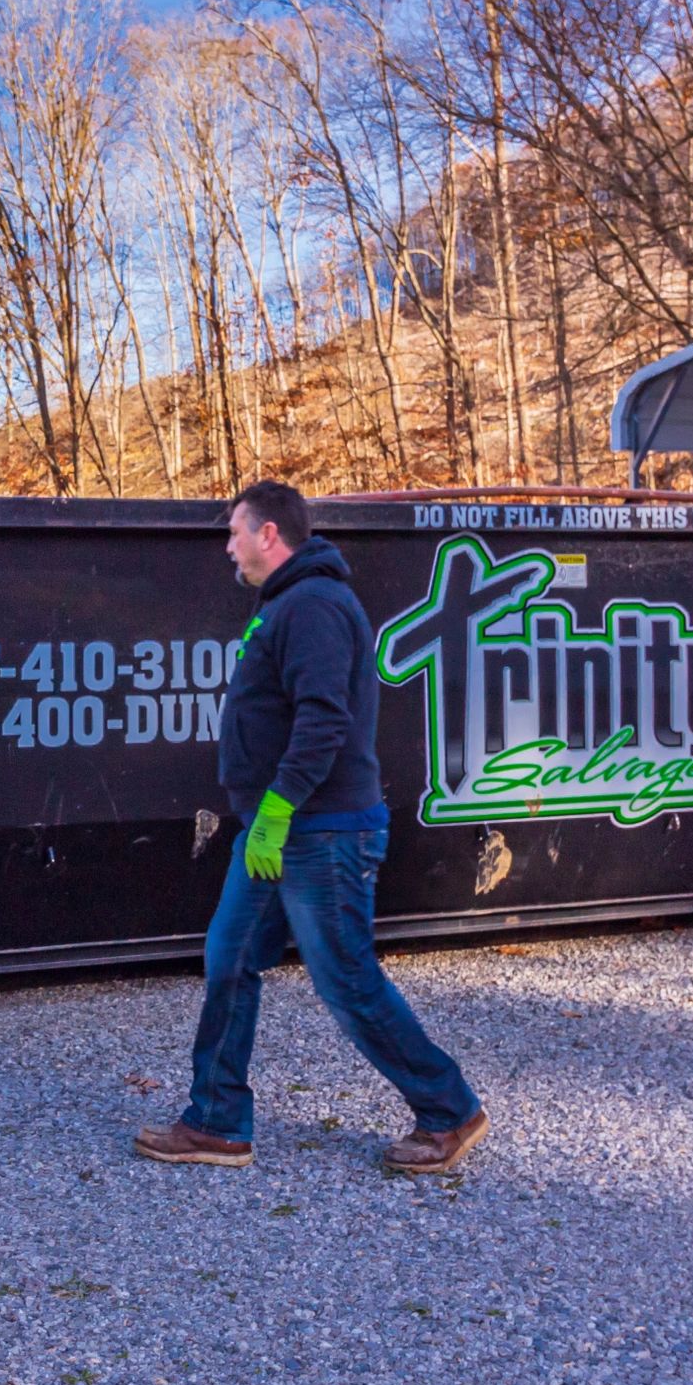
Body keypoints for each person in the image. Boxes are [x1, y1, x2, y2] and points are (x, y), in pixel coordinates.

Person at [134, 480, 488, 1176]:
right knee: (230, 957)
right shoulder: (288, 605)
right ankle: (217, 1121)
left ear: (270, 534)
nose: (228, 545)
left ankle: (449, 1107)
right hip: (277, 830)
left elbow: (324, 719)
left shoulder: (317, 604)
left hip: (319, 831)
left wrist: (276, 806)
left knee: (347, 979)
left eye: (236, 530)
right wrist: (265, 816)